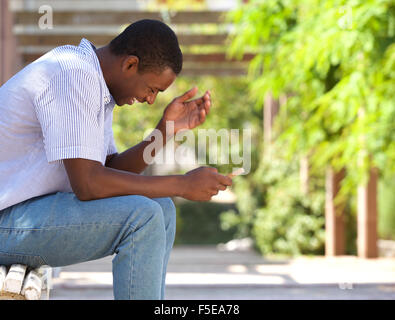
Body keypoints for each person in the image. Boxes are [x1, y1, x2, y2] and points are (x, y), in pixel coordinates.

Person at [0, 19, 232, 299]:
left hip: (27, 215)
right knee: (142, 217)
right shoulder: (71, 75)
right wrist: (182, 184)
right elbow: (89, 185)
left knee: (161, 208)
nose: (150, 99)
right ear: (130, 64)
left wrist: (165, 131)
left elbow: (109, 171)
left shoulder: (94, 85)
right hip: (9, 220)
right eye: (152, 89)